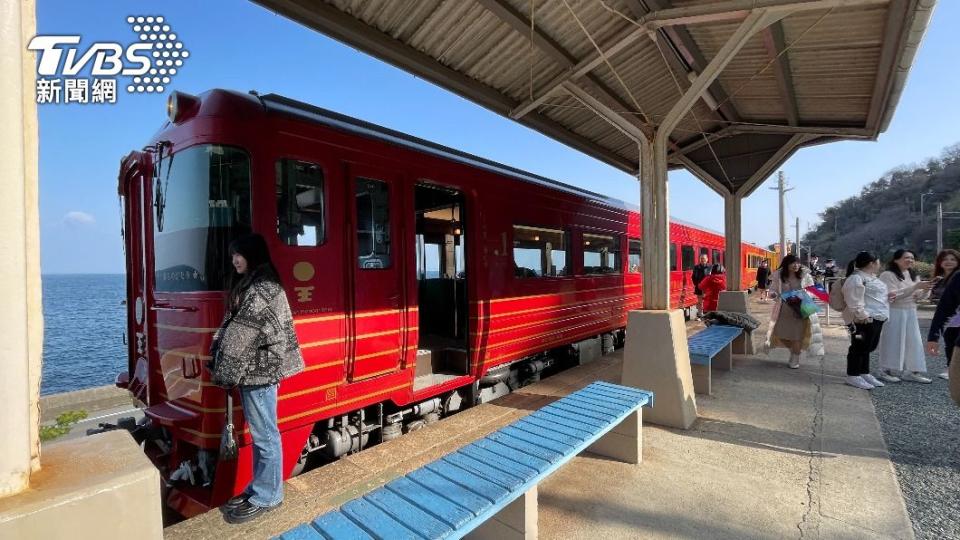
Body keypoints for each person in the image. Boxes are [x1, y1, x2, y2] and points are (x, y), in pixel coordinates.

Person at [210, 233, 305, 524]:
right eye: (232, 255)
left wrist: (222, 371)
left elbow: (241, 334)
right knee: (264, 434)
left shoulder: (262, 288)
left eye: (238, 254)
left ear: (251, 254)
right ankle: (260, 488)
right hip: (256, 370)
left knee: (265, 435)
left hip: (260, 371)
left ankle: (269, 496)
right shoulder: (257, 282)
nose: (234, 260)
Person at [877, 250, 934, 383]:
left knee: (914, 341)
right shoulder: (887, 275)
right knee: (893, 340)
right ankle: (885, 370)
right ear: (896, 260)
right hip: (894, 311)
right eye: (906, 258)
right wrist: (915, 287)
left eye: (912, 258)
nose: (910, 260)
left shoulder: (912, 274)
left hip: (911, 311)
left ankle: (912, 371)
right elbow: (891, 296)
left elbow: (919, 297)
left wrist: (926, 288)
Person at [841, 251, 891, 390]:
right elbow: (853, 299)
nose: (880, 264)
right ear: (872, 263)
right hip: (863, 320)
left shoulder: (871, 277)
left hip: (876, 317)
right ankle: (853, 375)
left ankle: (864, 372)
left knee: (868, 347)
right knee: (858, 346)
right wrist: (862, 315)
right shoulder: (856, 278)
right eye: (878, 262)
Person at [766, 254, 825, 369]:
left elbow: (813, 290)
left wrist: (802, 294)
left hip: (801, 308)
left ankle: (795, 357)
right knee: (779, 334)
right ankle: (794, 351)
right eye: (793, 263)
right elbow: (772, 290)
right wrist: (773, 294)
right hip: (784, 309)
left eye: (797, 263)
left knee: (797, 336)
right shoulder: (779, 275)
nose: (796, 265)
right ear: (786, 264)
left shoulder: (805, 275)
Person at [926, 250, 960, 382]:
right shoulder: (942, 279)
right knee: (950, 339)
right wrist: (933, 336)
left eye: (953, 259)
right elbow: (943, 307)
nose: (949, 262)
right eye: (946, 259)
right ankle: (951, 367)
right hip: (952, 318)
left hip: (954, 317)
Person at [692, 253, 710, 319]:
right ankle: (700, 314)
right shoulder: (696, 267)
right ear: (700, 259)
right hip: (699, 287)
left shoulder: (710, 267)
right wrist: (696, 284)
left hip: (707, 288)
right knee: (700, 301)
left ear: (707, 259)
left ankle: (707, 313)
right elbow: (693, 277)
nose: (702, 260)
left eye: (704, 258)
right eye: (701, 259)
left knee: (707, 301)